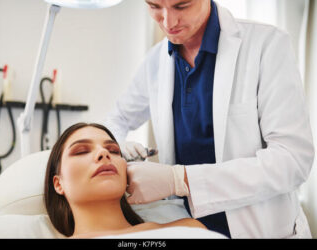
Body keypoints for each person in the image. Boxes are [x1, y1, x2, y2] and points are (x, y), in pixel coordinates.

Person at [104, 0, 315, 238]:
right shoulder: (155, 61)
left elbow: (292, 160)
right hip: (191, 231)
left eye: (181, 6)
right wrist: (114, 146)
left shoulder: (266, 44)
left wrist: (179, 180)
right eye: (154, 6)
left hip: (264, 230)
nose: (168, 22)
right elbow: (117, 119)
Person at [44, 122, 207, 238]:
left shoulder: (189, 229)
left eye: (114, 151)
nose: (103, 153)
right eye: (81, 151)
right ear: (58, 184)